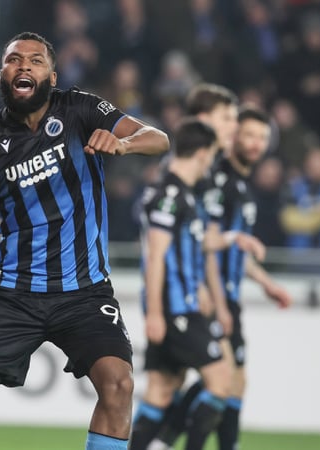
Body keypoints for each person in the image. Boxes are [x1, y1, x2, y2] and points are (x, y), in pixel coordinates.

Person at [0, 32, 169, 450]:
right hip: (13, 294)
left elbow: (158, 138)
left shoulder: (80, 108)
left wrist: (123, 144)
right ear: (2, 74)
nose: (24, 65)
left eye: (35, 60)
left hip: (84, 291)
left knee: (118, 385)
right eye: (14, 59)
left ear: (52, 75)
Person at [147, 108, 293, 450]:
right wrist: (210, 295)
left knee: (229, 382)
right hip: (212, 297)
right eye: (249, 134)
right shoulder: (217, 182)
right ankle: (168, 441)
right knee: (221, 378)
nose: (255, 143)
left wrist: (266, 283)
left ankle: (168, 441)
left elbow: (230, 247)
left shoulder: (239, 185)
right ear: (234, 137)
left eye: (262, 137)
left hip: (226, 295)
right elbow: (204, 245)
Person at [130, 118, 231, 450]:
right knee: (221, 380)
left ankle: (155, 445)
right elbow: (155, 256)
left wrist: (199, 285)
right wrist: (155, 313)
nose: (210, 164)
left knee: (162, 390)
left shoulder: (181, 194)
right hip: (175, 309)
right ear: (202, 153)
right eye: (211, 156)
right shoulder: (170, 194)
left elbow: (184, 252)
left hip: (182, 303)